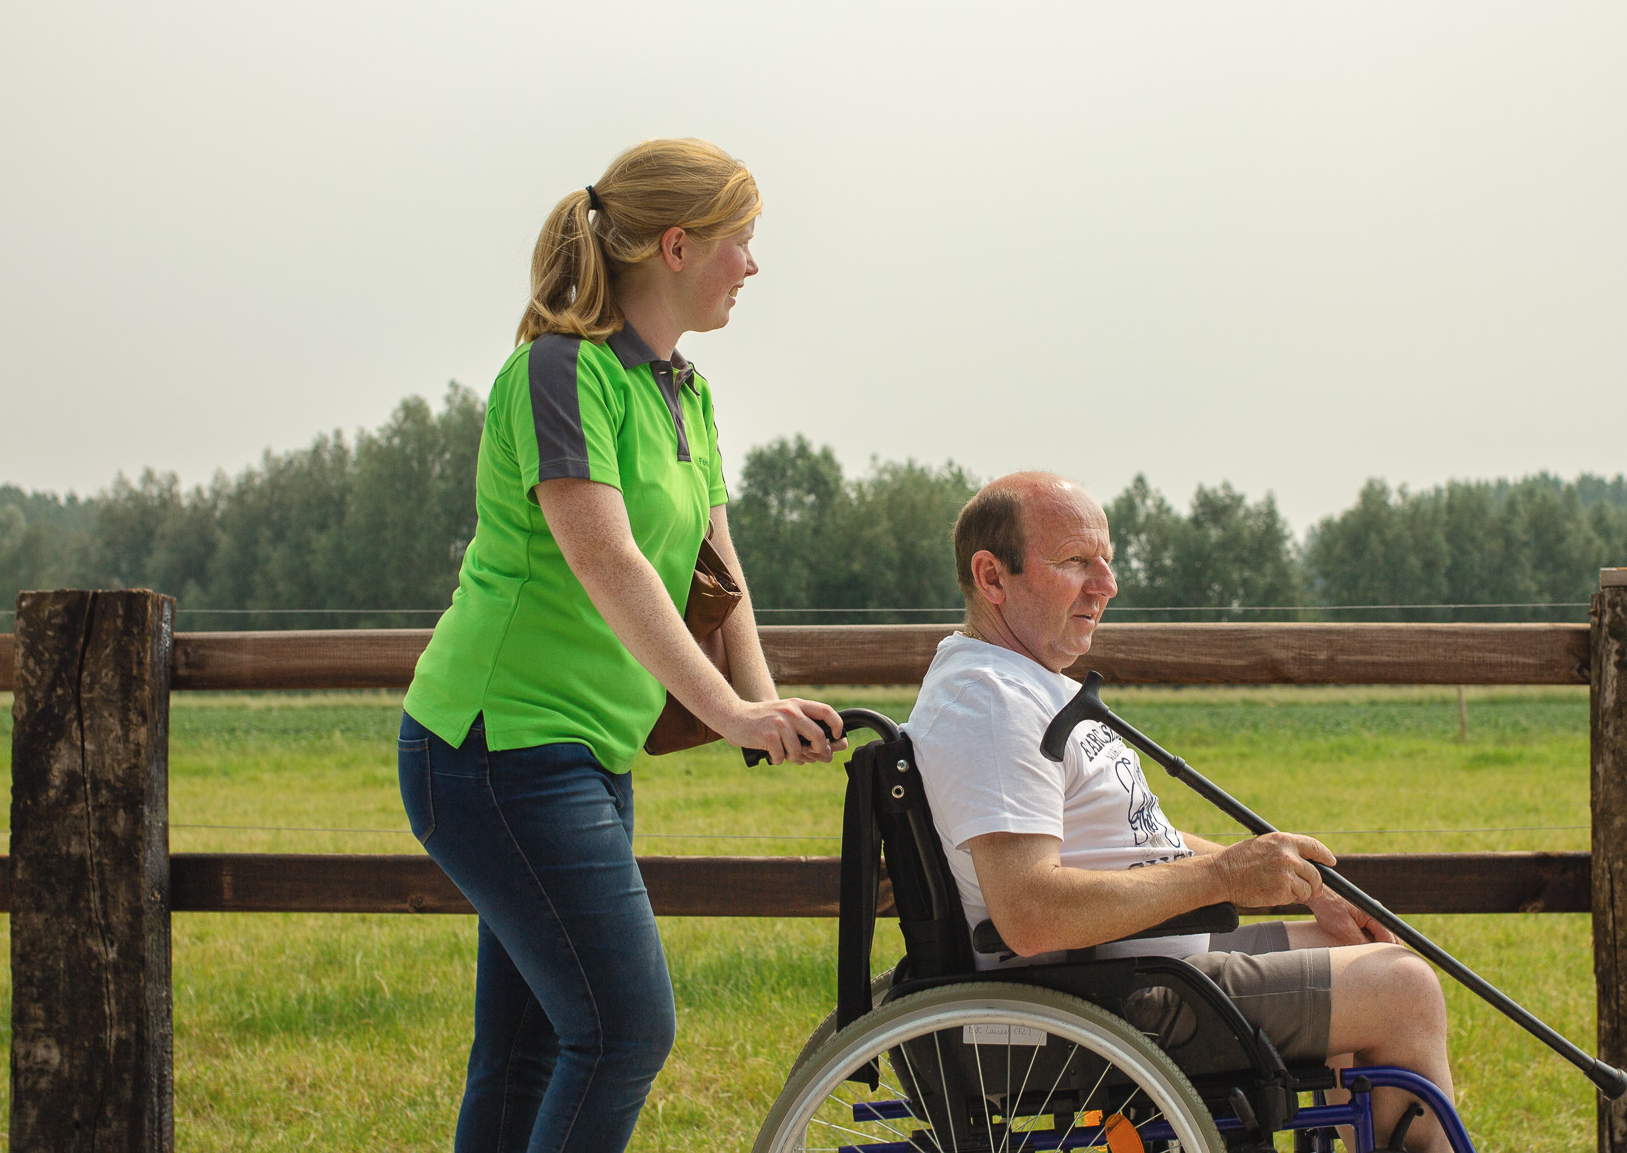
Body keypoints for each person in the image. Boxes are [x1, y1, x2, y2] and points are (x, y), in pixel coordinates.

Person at [397, 138, 845, 1153]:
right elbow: (609, 564)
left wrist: (765, 706)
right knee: (622, 1031)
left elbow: (715, 571)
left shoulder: (685, 391)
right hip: (490, 747)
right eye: (742, 242)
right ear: (678, 246)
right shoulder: (559, 373)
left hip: (581, 755)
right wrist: (730, 712)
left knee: (526, 1053)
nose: (753, 267)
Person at [908, 471, 1458, 1153]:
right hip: (1099, 998)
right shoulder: (990, 702)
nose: (1106, 585)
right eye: (1076, 561)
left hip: (1132, 966)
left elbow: (1134, 842)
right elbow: (1029, 911)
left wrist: (1301, 886)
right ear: (992, 577)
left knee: (1366, 948)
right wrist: (1225, 876)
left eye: (1107, 561)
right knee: (1403, 989)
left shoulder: (1021, 683)